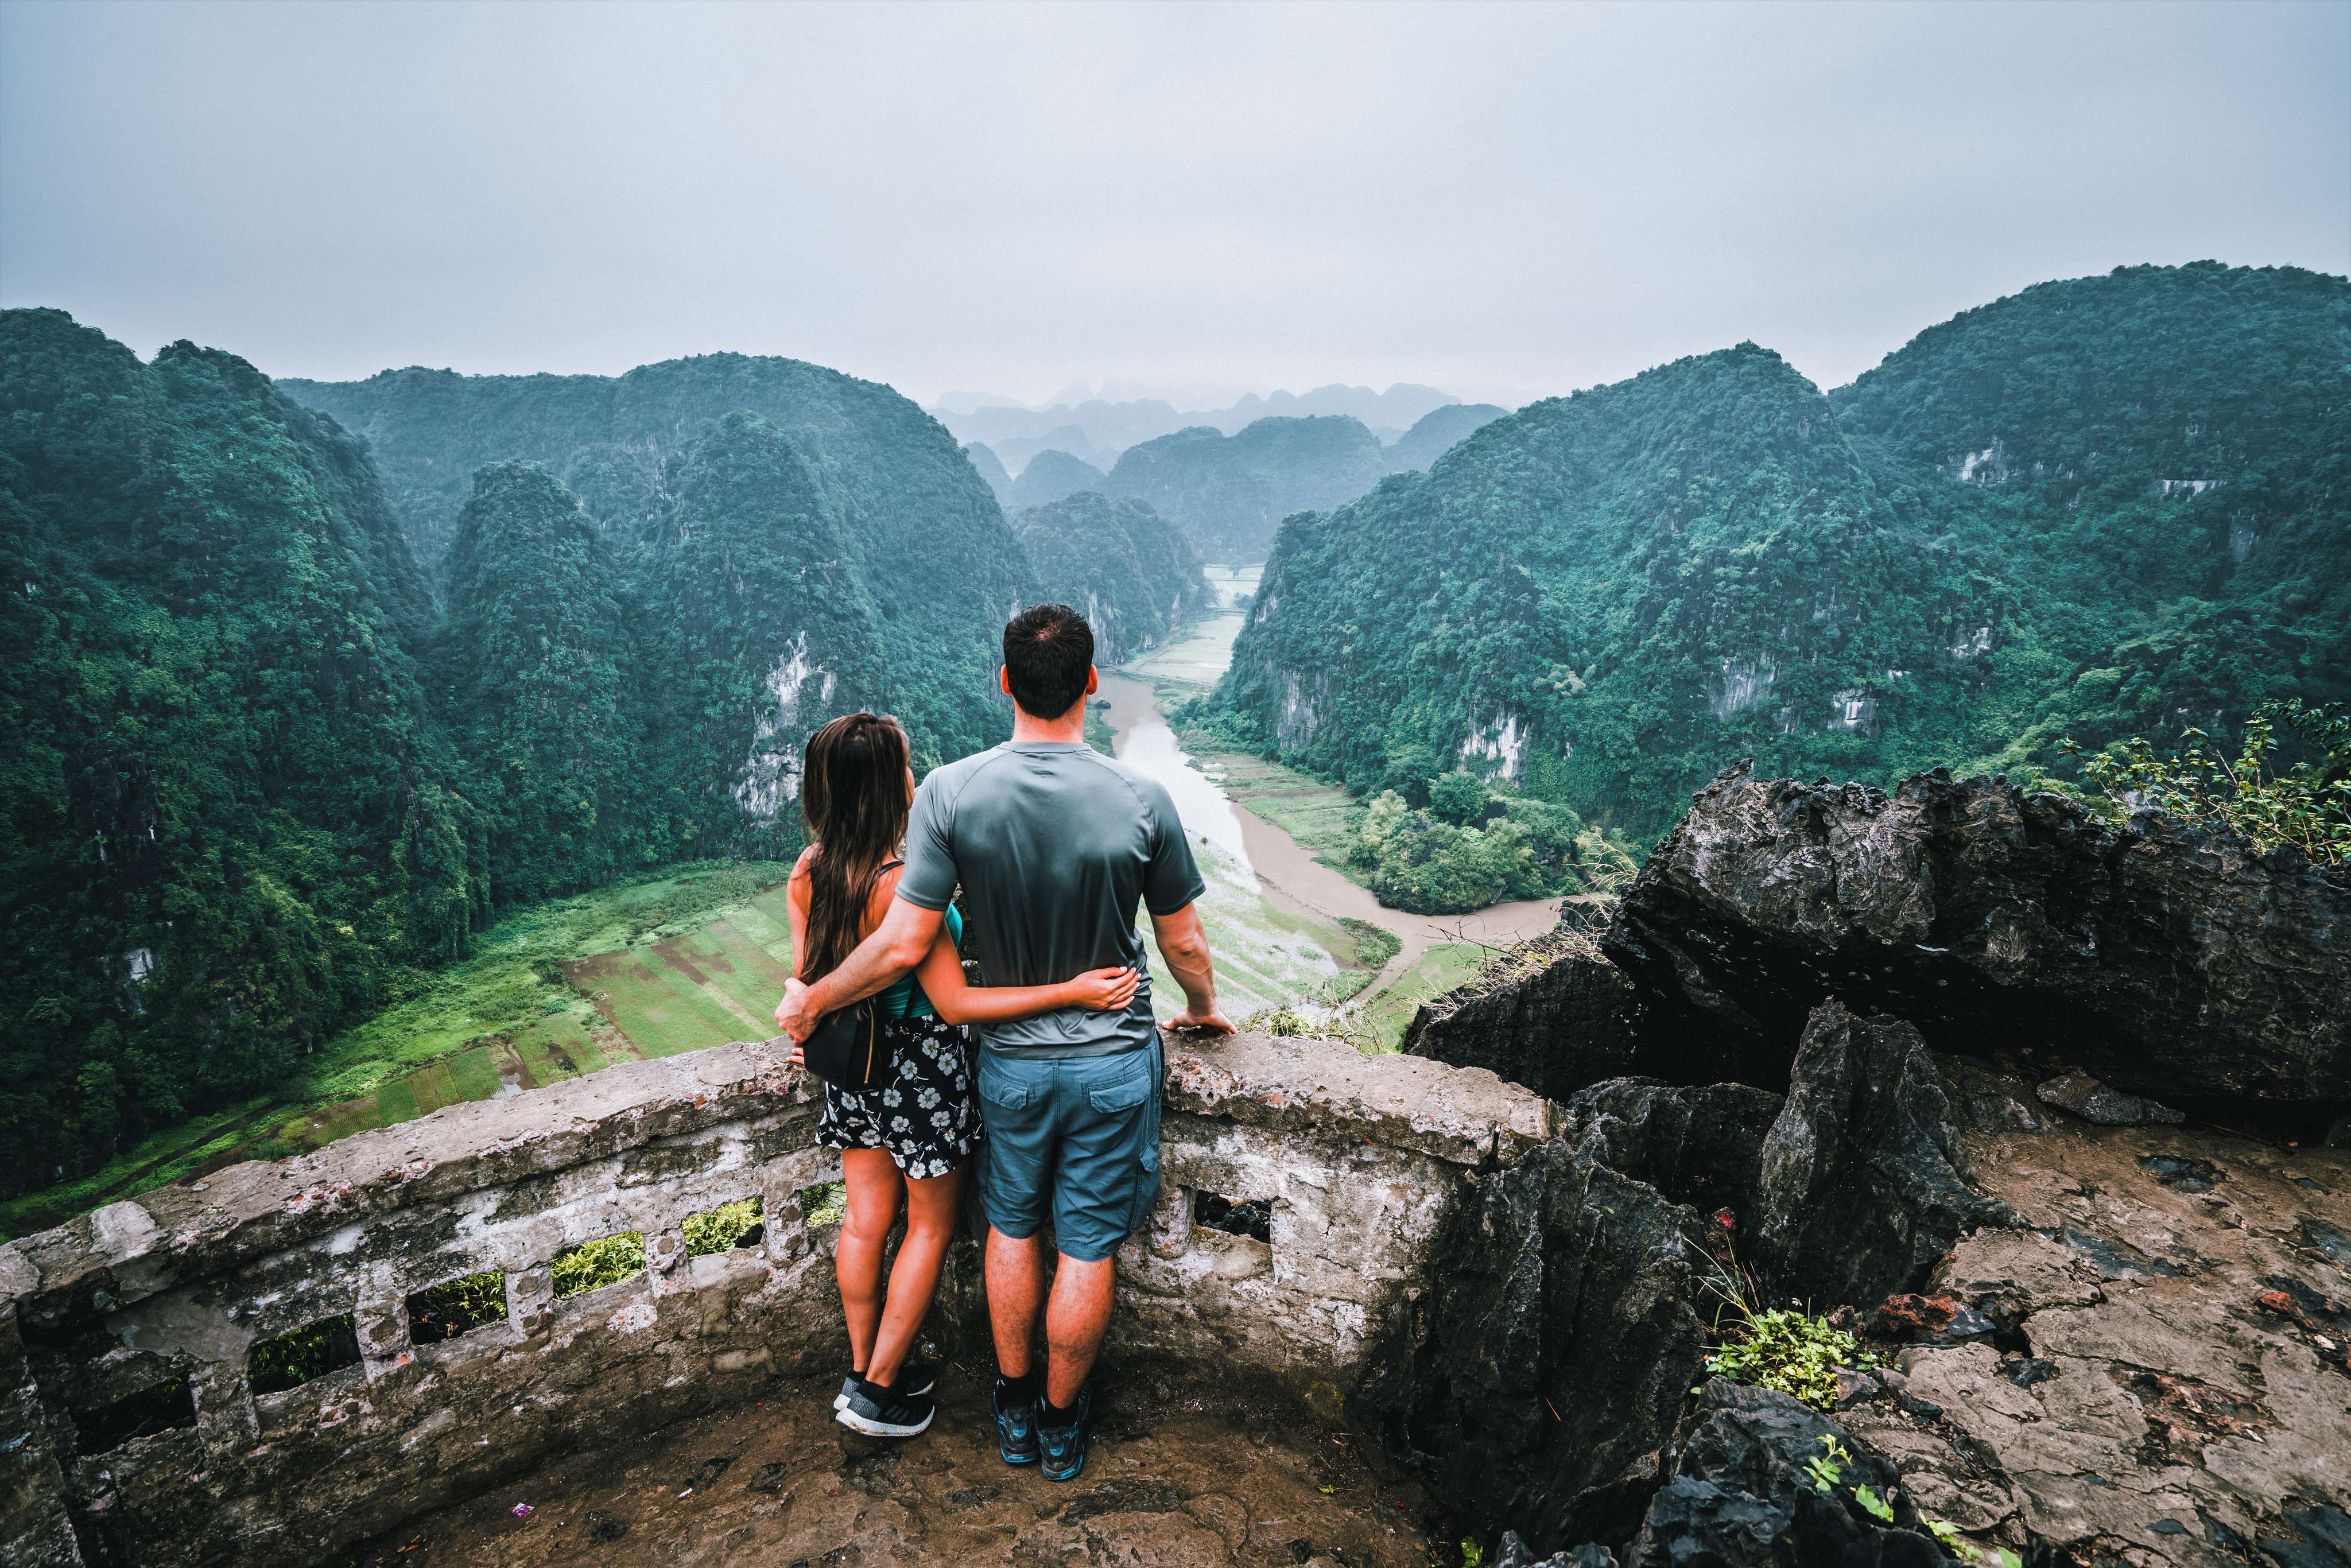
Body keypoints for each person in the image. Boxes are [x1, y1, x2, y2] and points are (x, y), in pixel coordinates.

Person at [777, 604, 1232, 1483]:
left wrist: (812, 1002)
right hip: (1110, 1062)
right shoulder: (1143, 799)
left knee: (1011, 1233)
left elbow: (903, 945)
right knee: (1088, 1246)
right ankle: (1063, 1424)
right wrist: (1204, 1006)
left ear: (1004, 683)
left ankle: (1013, 1410)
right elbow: (1183, 945)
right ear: (1092, 683)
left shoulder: (950, 789)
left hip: (1010, 1067)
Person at [780, 711, 1143, 1441]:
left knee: (864, 1221)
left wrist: (811, 1023)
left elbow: (808, 981)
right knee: (930, 1226)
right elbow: (955, 1002)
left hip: (849, 1067)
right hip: (918, 1068)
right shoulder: (904, 891)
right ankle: (880, 1391)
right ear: (897, 787)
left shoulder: (808, 869)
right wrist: (1071, 990)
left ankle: (863, 1368)